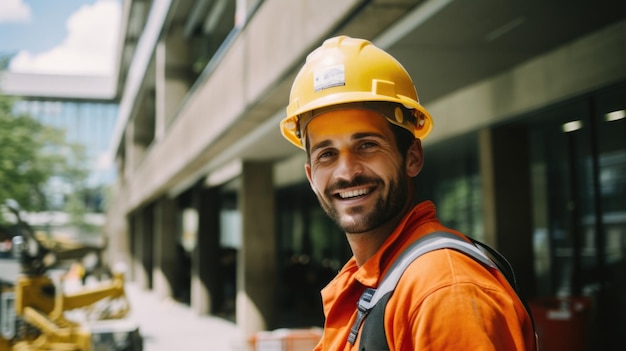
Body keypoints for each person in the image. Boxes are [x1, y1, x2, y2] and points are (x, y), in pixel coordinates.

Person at [279, 35, 536, 350]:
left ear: (412, 157)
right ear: (310, 176)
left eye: (367, 145)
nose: (346, 172)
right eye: (327, 154)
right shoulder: (377, 281)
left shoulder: (442, 289)